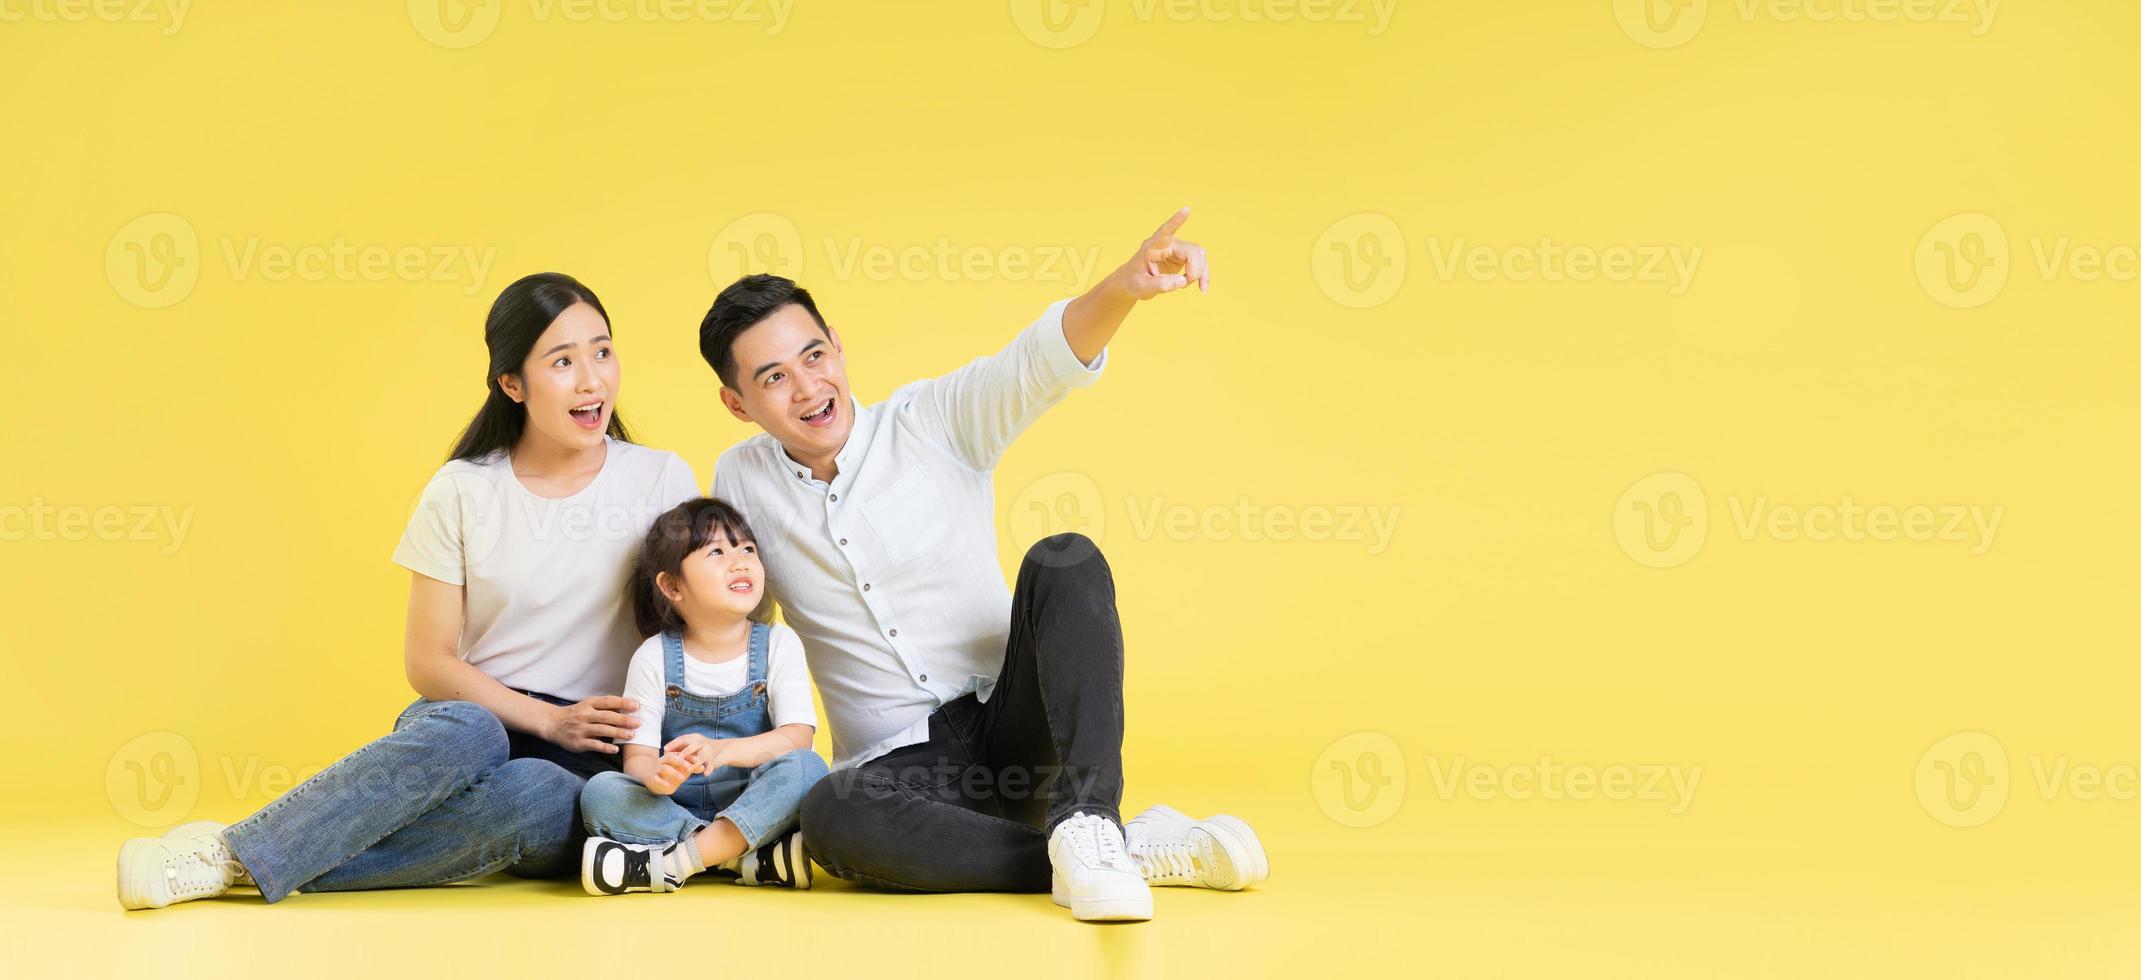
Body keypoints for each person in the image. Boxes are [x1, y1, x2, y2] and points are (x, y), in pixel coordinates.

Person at [699, 209, 1268, 923]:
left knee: (1066, 558)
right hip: (903, 773)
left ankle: (1090, 819)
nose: (807, 387)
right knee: (831, 815)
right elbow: (739, 628)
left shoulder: (932, 420)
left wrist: (1124, 288)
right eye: (773, 378)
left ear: (839, 348)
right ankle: (1111, 852)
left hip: (1018, 724)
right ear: (736, 402)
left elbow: (1034, 363)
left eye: (814, 357)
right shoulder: (739, 481)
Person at [116, 272, 698, 909]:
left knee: (540, 792)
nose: (592, 380)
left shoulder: (660, 479)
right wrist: (546, 718)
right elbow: (428, 662)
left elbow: (691, 633)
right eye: (562, 361)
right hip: (483, 718)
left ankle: (239, 855)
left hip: (596, 754)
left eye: (602, 351)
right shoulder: (462, 489)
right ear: (512, 384)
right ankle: (238, 857)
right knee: (469, 733)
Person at [577, 497, 828, 894]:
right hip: (678, 809)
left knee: (807, 769)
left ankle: (674, 863)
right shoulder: (654, 656)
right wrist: (656, 779)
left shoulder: (778, 643)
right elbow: (638, 759)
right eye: (716, 552)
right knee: (600, 792)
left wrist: (722, 752)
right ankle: (740, 857)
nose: (741, 561)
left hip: (755, 801)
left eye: (748, 549)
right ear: (672, 585)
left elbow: (797, 738)